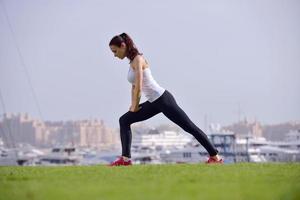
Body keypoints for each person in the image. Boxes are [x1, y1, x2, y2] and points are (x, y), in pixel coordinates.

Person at [108, 33, 223, 166]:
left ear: (123, 46)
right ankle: (125, 160)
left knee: (189, 127)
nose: (114, 55)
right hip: (153, 102)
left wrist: (135, 105)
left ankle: (215, 157)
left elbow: (139, 86)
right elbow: (134, 87)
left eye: (115, 51)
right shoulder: (132, 62)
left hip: (163, 99)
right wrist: (133, 105)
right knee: (124, 120)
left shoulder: (138, 59)